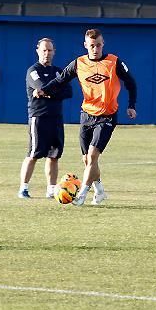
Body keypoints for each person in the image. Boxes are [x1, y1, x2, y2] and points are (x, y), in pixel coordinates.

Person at [36, 28, 137, 206]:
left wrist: (131, 105)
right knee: (87, 160)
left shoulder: (114, 62)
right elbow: (60, 80)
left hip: (107, 116)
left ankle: (82, 194)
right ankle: (100, 190)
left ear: (103, 44)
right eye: (92, 45)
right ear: (85, 45)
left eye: (98, 45)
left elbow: (131, 82)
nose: (95, 49)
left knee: (93, 155)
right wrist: (44, 89)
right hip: (87, 115)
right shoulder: (79, 63)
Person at [18, 38, 73, 199]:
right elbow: (41, 86)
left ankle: (51, 189)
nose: (47, 53)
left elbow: (68, 92)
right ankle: (23, 188)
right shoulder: (33, 71)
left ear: (54, 52)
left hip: (56, 118)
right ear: (38, 51)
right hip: (39, 117)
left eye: (49, 50)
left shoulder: (58, 72)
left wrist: (48, 93)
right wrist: (52, 90)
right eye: (44, 50)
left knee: (54, 156)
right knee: (34, 154)